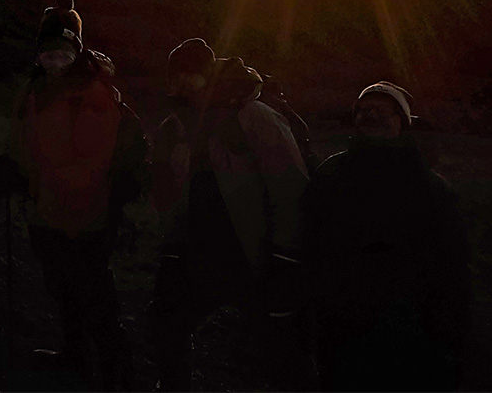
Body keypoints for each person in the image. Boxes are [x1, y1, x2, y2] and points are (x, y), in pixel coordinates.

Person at [0, 0, 148, 391]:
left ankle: (116, 376)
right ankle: (76, 359)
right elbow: (22, 143)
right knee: (63, 290)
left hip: (87, 217)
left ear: (75, 52)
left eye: (62, 56)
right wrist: (7, 170)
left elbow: (93, 162)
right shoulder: (34, 92)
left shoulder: (93, 97)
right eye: (47, 56)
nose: (53, 63)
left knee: (96, 301)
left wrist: (29, 180)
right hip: (47, 213)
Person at [149, 38, 311, 392]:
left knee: (277, 343)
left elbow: (289, 187)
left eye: (190, 76)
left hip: (251, 253)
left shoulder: (255, 116)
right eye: (177, 78)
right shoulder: (176, 124)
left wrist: (285, 256)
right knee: (165, 321)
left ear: (207, 75)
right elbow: (171, 190)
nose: (183, 85)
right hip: (196, 248)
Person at [305, 82, 471, 392]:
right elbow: (312, 238)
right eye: (364, 110)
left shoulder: (432, 189)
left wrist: (447, 328)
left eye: (381, 110)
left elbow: (452, 265)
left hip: (409, 321)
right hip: (344, 318)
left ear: (402, 121)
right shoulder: (331, 174)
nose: (370, 116)